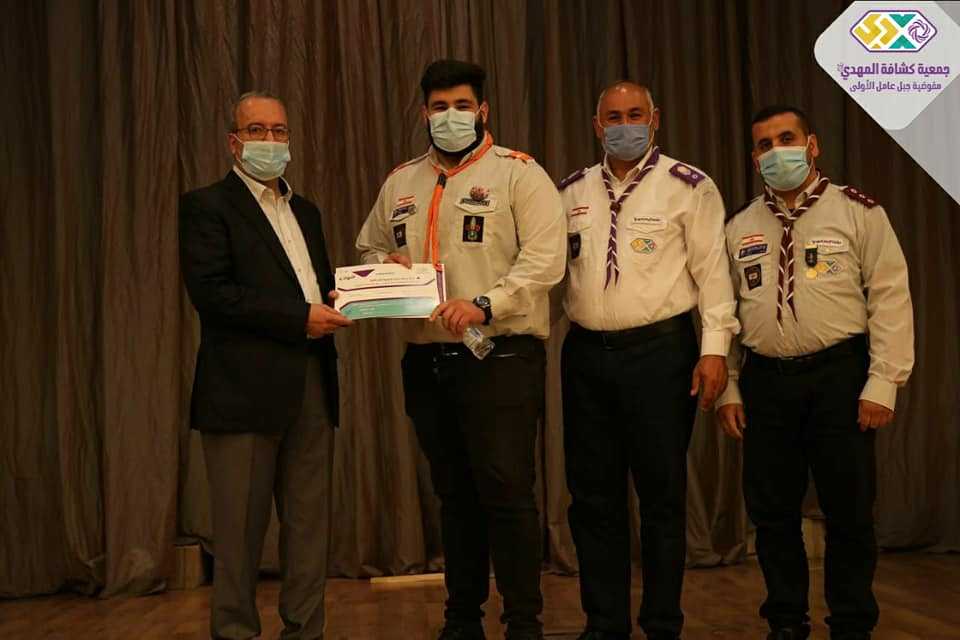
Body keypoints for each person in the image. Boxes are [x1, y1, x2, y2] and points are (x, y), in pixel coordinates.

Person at [355, 59, 566, 640]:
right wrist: (385, 266)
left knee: (506, 490)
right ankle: (462, 620)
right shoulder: (401, 182)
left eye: (462, 106)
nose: (450, 116)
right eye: (439, 107)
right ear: (425, 113)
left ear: (483, 110)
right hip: (427, 359)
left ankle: (523, 623)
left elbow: (545, 261)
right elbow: (368, 247)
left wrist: (486, 305)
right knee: (453, 494)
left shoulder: (519, 174)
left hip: (499, 356)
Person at [716, 105, 915, 640]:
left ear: (812, 145)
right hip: (765, 382)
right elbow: (724, 311)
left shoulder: (858, 213)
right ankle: (785, 622)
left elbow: (891, 297)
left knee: (849, 512)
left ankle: (852, 624)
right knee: (772, 513)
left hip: (839, 378)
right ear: (754, 157)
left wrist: (883, 382)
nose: (776, 151)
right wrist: (729, 387)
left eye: (787, 138)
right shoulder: (738, 226)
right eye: (764, 145)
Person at [559, 81, 740, 640]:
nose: (625, 125)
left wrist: (715, 352)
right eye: (613, 117)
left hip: (661, 356)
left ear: (655, 118)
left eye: (635, 114)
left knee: (661, 497)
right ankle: (604, 624)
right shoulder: (569, 192)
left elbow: (714, 274)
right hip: (587, 357)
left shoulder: (689, 186)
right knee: (592, 500)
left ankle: (662, 623)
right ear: (597, 126)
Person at [179, 91, 351, 640]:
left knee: (309, 528)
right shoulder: (207, 206)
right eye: (257, 130)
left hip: (312, 382)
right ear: (234, 142)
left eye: (279, 131)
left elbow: (320, 288)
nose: (270, 141)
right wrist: (300, 318)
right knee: (239, 532)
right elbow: (214, 294)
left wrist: (379, 283)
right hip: (242, 392)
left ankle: (306, 632)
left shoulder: (307, 211)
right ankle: (234, 632)